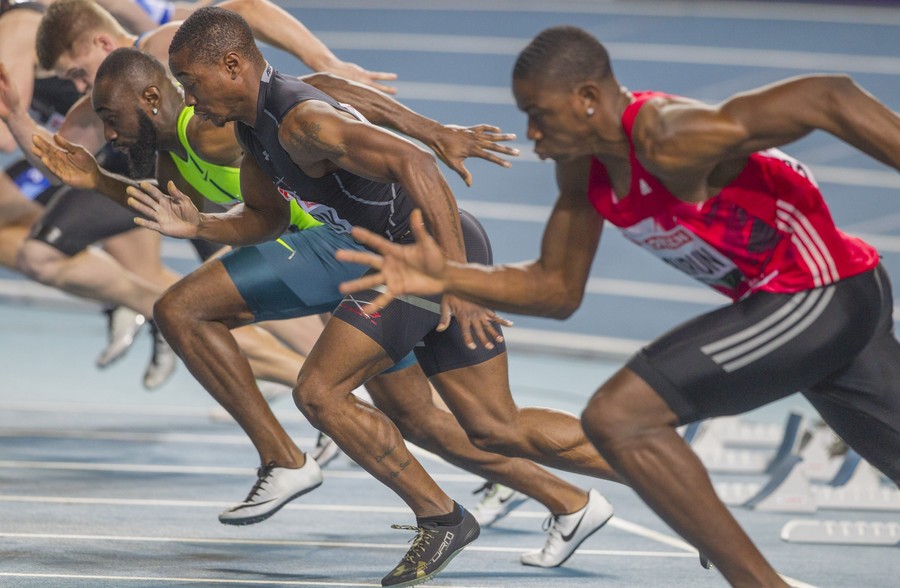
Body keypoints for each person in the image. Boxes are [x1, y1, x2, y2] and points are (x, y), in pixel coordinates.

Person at [336, 25, 900, 587]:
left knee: (618, 416)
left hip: (821, 291)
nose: (530, 131)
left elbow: (829, 95)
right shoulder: (584, 168)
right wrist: (448, 276)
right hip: (829, 299)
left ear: (587, 99)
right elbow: (556, 291)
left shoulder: (669, 137)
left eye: (539, 113)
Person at [126, 8, 636, 586]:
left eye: (189, 80)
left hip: (423, 256)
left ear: (233, 64)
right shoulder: (258, 121)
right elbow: (267, 217)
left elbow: (412, 164)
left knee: (320, 392)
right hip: (401, 259)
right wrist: (200, 228)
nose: (185, 96)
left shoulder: (301, 122)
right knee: (493, 426)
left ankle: (440, 519)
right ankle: (662, 479)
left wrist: (457, 280)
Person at [33, 47, 586, 541]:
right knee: (449, 422)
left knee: (269, 361)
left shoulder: (217, 124)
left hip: (355, 247)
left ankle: (308, 468)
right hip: (348, 249)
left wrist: (434, 149)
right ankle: (581, 493)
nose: (106, 134)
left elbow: (334, 103)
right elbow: (257, 194)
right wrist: (104, 185)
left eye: (106, 112)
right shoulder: (214, 131)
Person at [0, 0, 398, 388]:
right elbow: (61, 161)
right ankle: (326, 390)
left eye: (77, 73)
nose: (80, 87)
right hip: (231, 201)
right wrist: (17, 118)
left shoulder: (165, 48)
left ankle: (333, 391)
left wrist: (326, 62)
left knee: (358, 337)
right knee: (207, 303)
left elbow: (250, 11)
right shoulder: (107, 114)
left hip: (300, 207)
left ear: (103, 46)